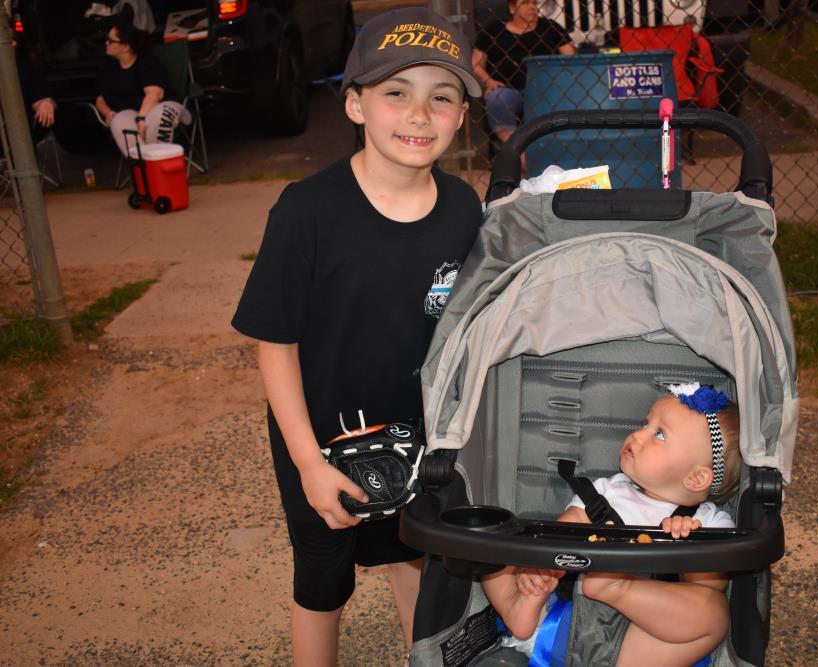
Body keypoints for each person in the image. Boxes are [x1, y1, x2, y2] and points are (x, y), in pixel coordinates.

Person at [231, 7, 484, 665]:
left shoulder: (465, 209)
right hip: (318, 440)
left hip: (419, 436)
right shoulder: (307, 211)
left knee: (416, 558)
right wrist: (309, 464)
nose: (419, 114)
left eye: (441, 97)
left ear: (461, 115)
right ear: (354, 105)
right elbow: (275, 344)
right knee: (322, 583)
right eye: (396, 92)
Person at [482, 386, 741, 666]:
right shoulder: (606, 492)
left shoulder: (710, 523)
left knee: (714, 613)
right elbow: (562, 532)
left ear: (695, 478)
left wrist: (690, 543)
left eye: (659, 434)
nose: (637, 434)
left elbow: (713, 585)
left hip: (635, 646)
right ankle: (519, 609)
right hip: (559, 626)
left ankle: (616, 587)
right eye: (645, 424)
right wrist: (536, 568)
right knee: (492, 545)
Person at [473, 0, 575, 145]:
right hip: (507, 88)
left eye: (534, 3)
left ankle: (547, 147)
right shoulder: (494, 30)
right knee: (497, 99)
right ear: (512, 8)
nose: (532, 7)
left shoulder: (550, 27)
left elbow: (571, 58)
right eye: (526, 3)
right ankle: (518, 151)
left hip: (545, 88)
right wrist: (488, 81)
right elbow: (475, 63)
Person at [94, 16, 187, 156]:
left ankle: (159, 161)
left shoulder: (147, 62)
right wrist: (107, 113)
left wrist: (141, 119)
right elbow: (100, 99)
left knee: (158, 117)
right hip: (129, 112)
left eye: (111, 41)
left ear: (125, 47)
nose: (106, 43)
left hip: (161, 106)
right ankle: (142, 165)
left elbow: (154, 94)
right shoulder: (107, 68)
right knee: (118, 121)